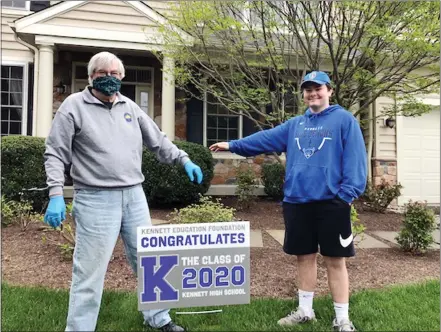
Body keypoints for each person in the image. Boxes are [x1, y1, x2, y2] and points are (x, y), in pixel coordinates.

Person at [43, 51, 203, 332]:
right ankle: (79, 328)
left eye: (114, 73)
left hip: (134, 196)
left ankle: (159, 318)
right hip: (95, 199)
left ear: (122, 76)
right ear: (91, 76)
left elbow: (157, 140)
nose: (108, 78)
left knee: (150, 262)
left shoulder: (129, 106)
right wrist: (56, 194)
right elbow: (55, 153)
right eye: (102, 73)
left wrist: (184, 159)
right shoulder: (73, 106)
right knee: (89, 272)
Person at [210, 71, 367, 332]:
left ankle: (342, 319)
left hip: (333, 203)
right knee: (304, 257)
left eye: (318, 88)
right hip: (297, 202)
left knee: (335, 260)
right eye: (308, 89)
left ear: (329, 91)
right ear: (303, 94)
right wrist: (233, 144)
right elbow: (265, 138)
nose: (313, 93)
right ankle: (305, 311)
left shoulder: (344, 120)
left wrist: (346, 196)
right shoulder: (296, 124)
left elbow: (355, 160)